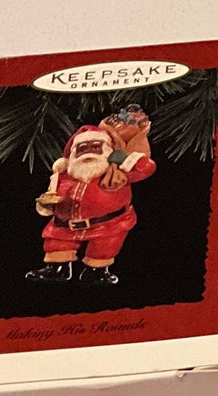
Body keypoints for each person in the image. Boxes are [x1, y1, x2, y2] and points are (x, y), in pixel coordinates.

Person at [30, 117, 155, 284]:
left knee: (105, 246)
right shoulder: (63, 175)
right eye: (82, 149)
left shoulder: (117, 173)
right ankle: (57, 268)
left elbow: (146, 168)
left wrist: (128, 158)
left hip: (107, 225)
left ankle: (97, 271)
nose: (88, 152)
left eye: (95, 147)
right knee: (56, 242)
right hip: (64, 225)